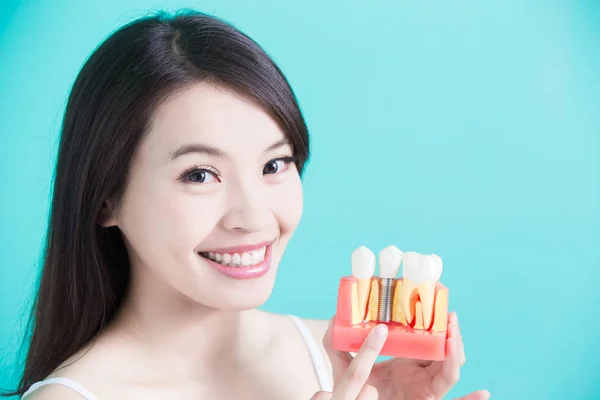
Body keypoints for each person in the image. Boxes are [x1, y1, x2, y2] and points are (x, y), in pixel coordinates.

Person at [2, 9, 490, 400]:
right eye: (199, 174)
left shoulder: (344, 360)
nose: (255, 218)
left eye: (275, 165)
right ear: (105, 199)